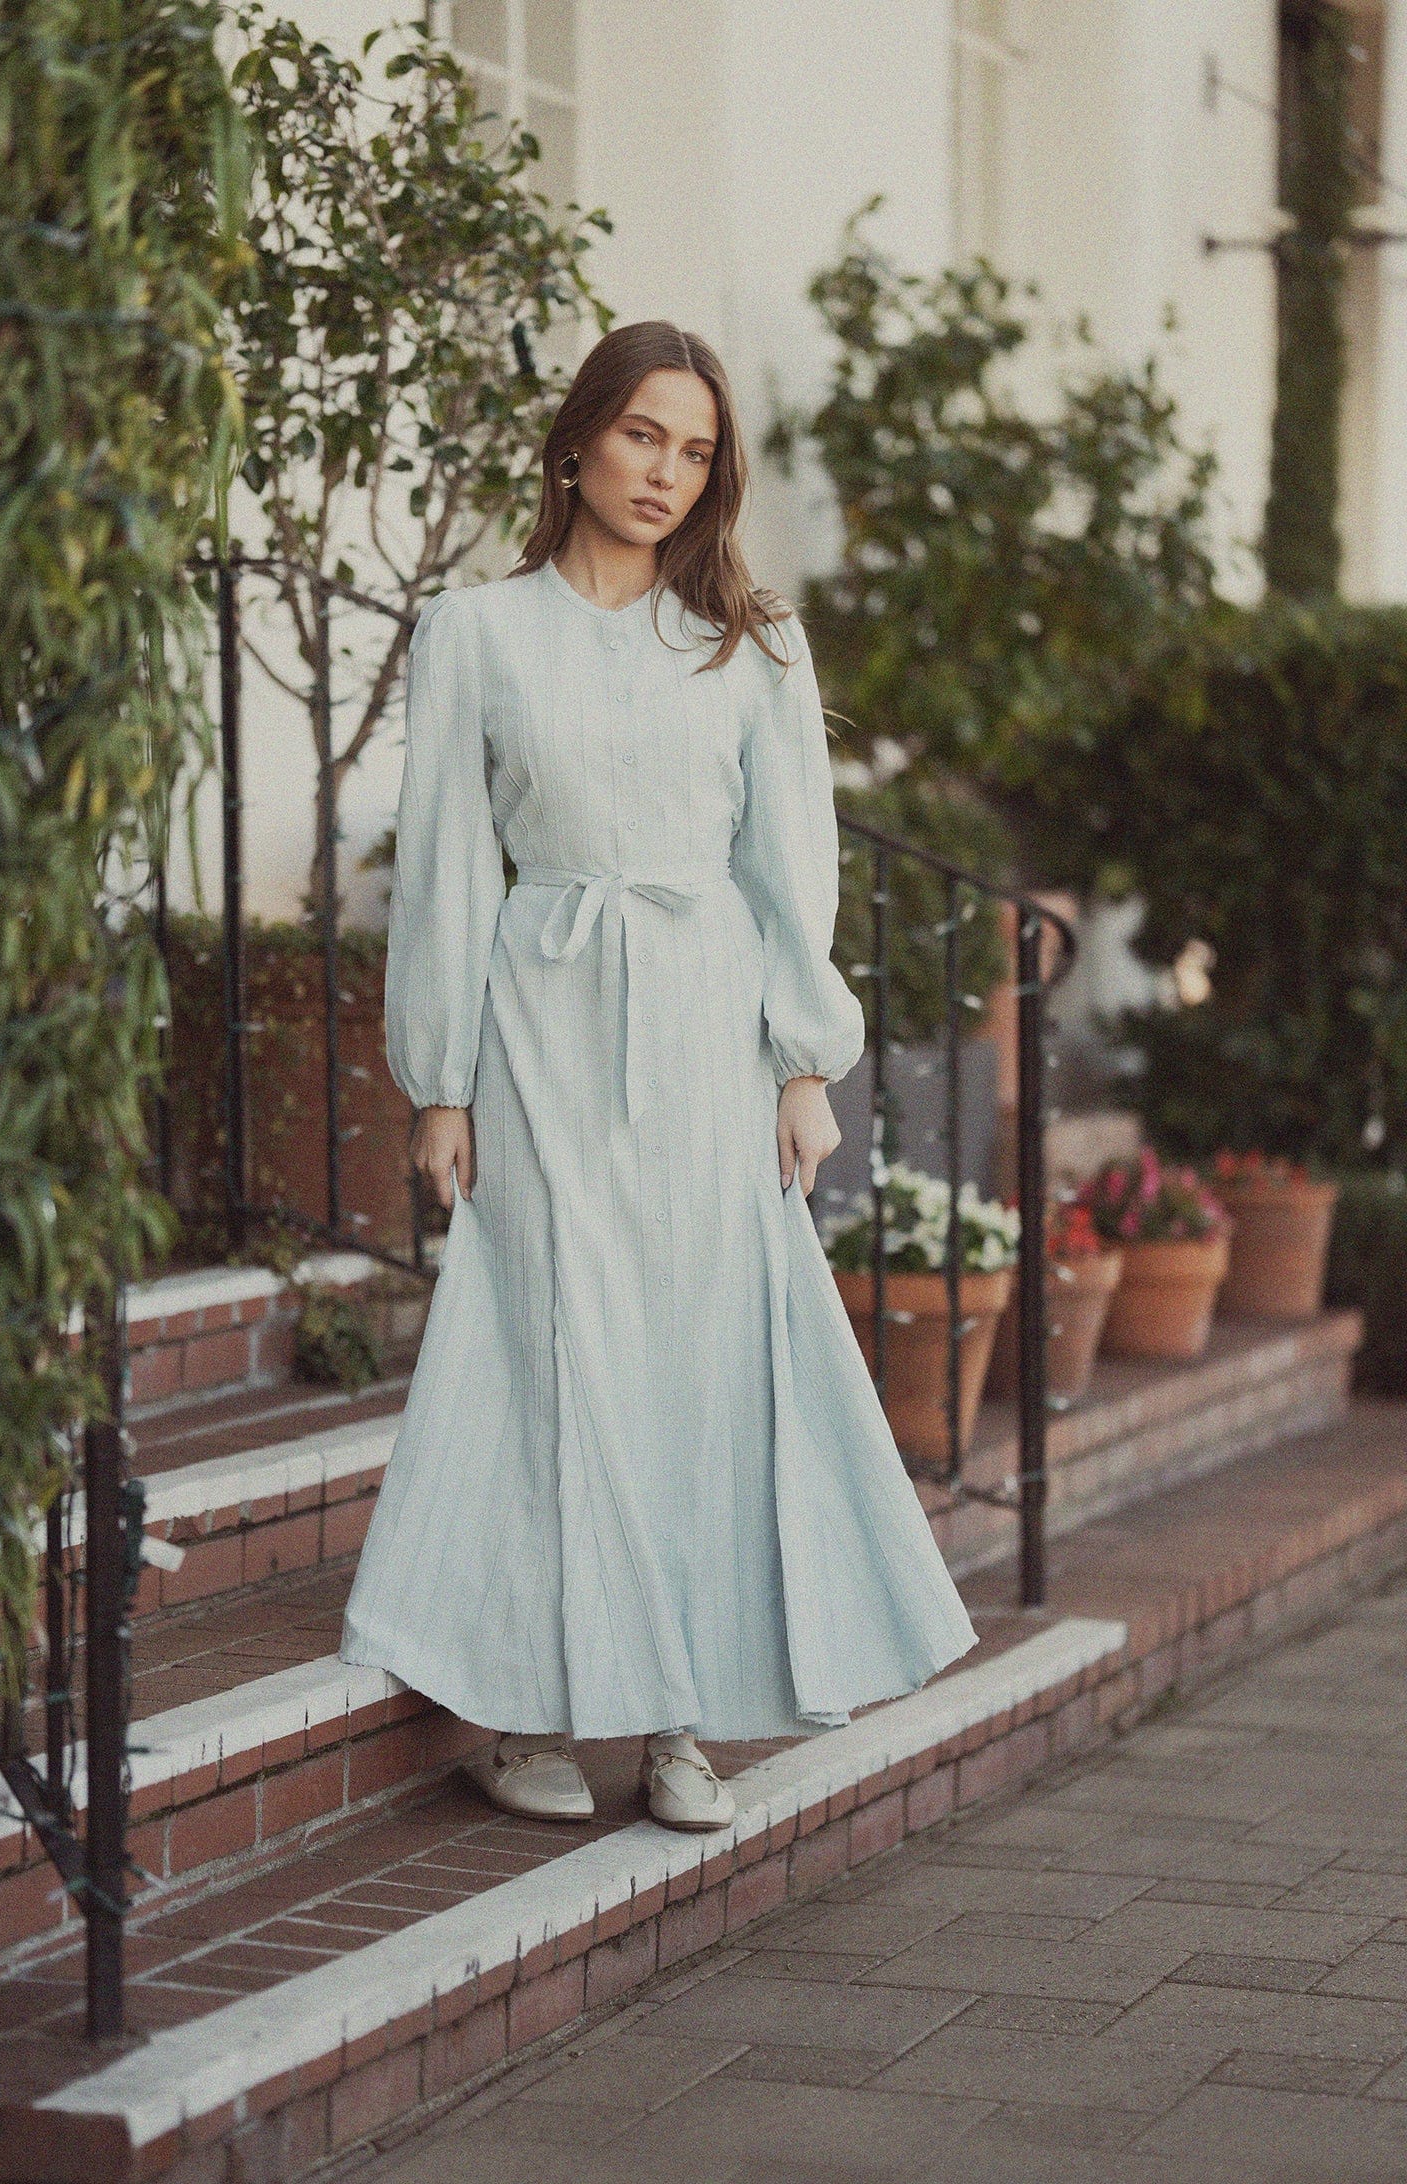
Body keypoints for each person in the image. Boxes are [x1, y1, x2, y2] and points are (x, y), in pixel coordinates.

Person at [338, 320, 976, 1833]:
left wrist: (804, 1061)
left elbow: (789, 866)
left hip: (706, 1028)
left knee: (699, 1362)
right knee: (548, 1350)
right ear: (576, 443)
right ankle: (527, 1708)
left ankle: (683, 1715)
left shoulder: (751, 643)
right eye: (641, 436)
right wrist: (441, 1084)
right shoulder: (476, 632)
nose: (665, 474)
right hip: (541, 1022)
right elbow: (445, 869)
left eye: (695, 451)